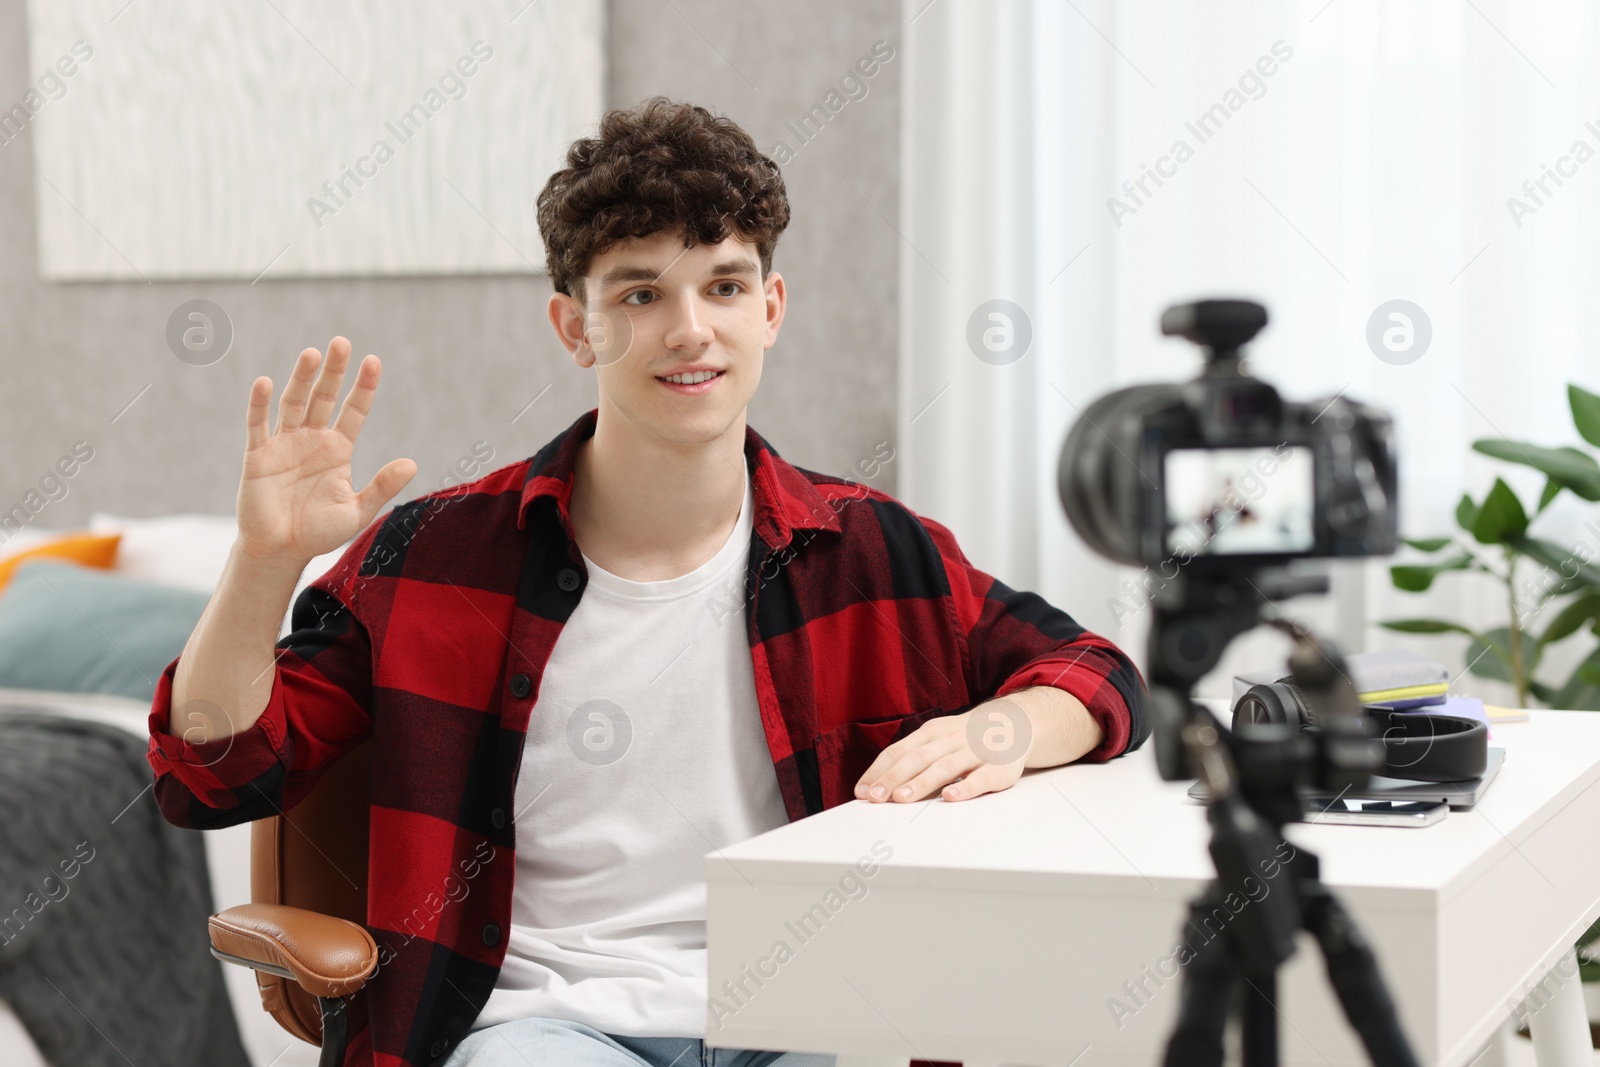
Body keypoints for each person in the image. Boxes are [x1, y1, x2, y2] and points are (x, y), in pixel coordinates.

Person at [146, 96, 1148, 1067]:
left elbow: (1098, 673)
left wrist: (999, 729)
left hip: (812, 1005)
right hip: (537, 1027)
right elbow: (214, 773)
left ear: (770, 308)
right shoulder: (433, 557)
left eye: (721, 286)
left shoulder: (874, 549)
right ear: (573, 327)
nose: (688, 329)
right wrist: (264, 562)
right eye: (639, 292)